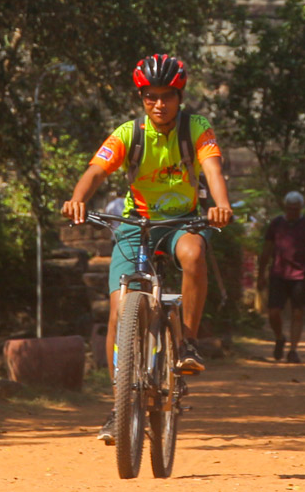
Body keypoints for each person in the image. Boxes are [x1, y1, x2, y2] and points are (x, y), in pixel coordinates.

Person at [62, 53, 235, 443]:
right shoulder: (128, 133)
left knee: (193, 255)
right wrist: (78, 199)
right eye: (151, 96)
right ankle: (118, 405)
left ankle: (188, 343)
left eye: (168, 96)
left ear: (180, 96)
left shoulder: (197, 129)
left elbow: (212, 170)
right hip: (135, 224)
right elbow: (95, 171)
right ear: (142, 98)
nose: (159, 104)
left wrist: (220, 206)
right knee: (119, 311)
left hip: (182, 222)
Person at [264, 192, 305, 362]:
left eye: (296, 209)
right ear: (285, 208)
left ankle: (293, 350)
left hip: (300, 275)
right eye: (290, 208)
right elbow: (267, 248)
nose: (293, 211)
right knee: (273, 312)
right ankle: (280, 337)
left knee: (298, 313)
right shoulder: (277, 223)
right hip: (278, 273)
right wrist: (261, 273)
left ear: (301, 208)